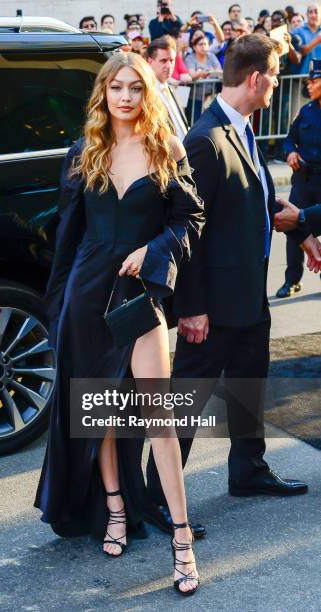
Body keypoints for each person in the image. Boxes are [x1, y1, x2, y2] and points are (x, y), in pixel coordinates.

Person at [34, 51, 205, 596]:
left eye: (136, 87)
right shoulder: (84, 153)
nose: (126, 97)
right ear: (103, 94)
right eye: (117, 88)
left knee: (158, 415)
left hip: (138, 293)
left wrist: (153, 252)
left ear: (148, 92)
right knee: (99, 408)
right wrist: (56, 304)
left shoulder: (166, 149)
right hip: (86, 292)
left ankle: (181, 535)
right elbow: (69, 235)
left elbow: (189, 217)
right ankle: (112, 506)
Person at [145, 35, 313, 528]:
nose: (279, 85)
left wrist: (300, 229)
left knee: (248, 384)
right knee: (186, 403)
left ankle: (248, 470)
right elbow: (185, 229)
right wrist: (191, 306)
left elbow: (255, 203)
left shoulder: (241, 128)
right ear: (257, 79)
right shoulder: (205, 139)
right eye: (276, 77)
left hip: (247, 294)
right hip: (211, 305)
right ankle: (158, 498)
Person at [276, 59, 321, 297]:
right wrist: (291, 151)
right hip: (303, 180)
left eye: (314, 81)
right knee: (293, 226)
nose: (309, 85)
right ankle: (292, 280)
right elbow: (288, 139)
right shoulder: (306, 111)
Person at [146, 36, 190, 142]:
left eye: (172, 60)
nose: (169, 65)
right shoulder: (146, 94)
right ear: (150, 62)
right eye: (163, 61)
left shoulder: (171, 90)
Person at [185, 31, 222, 120]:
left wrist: (206, 73)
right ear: (194, 47)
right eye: (200, 44)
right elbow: (191, 75)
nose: (203, 47)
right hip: (194, 98)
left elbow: (220, 72)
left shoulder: (211, 56)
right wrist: (203, 73)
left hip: (211, 97)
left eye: (205, 44)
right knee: (195, 122)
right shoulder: (190, 58)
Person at [293, 4, 321, 74]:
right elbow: (299, 52)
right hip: (303, 78)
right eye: (310, 12)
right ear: (306, 15)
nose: (313, 15)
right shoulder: (298, 31)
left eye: (316, 12)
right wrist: (317, 40)